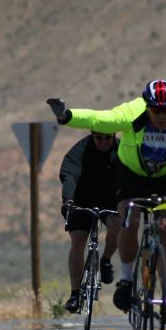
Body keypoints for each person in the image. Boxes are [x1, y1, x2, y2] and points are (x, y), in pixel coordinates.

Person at [47, 79, 166, 323]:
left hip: (165, 178)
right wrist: (67, 116)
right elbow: (103, 120)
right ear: (147, 106)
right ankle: (126, 280)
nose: (162, 115)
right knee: (128, 221)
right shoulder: (134, 111)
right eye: (156, 109)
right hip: (131, 175)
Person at [59, 130, 121, 313]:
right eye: (98, 138)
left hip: (110, 199)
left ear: (114, 136)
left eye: (107, 138)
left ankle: (106, 260)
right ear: (92, 136)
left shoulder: (122, 150)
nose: (102, 142)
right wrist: (68, 200)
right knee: (78, 240)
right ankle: (75, 294)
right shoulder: (81, 149)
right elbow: (69, 174)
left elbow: (131, 176)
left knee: (117, 225)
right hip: (82, 198)